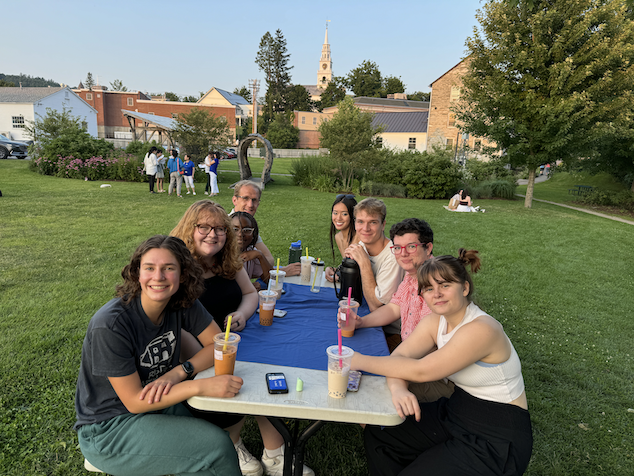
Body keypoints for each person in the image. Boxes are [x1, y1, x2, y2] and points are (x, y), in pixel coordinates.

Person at [74, 235, 242, 476]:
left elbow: (218, 345)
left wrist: (178, 372)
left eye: (169, 268)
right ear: (137, 273)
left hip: (155, 402)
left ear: (182, 274)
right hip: (109, 426)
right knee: (216, 447)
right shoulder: (111, 324)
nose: (158, 277)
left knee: (211, 428)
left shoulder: (181, 302)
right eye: (149, 268)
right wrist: (199, 387)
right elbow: (133, 401)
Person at [354, 249, 533, 476]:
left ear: (465, 288)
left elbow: (421, 371)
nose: (436, 294)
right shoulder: (435, 321)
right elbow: (399, 358)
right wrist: (398, 388)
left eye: (445, 285)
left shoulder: (482, 329)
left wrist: (357, 360)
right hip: (457, 411)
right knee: (381, 435)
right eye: (429, 288)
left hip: (497, 434)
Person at [170, 201, 313, 476]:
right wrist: (203, 353)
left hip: (235, 337)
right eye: (204, 227)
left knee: (270, 368)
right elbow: (175, 320)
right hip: (194, 347)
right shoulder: (178, 266)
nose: (213, 235)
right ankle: (232, 443)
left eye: (220, 229)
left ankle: (274, 453)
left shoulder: (226, 260)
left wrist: (242, 314)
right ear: (190, 229)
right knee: (239, 376)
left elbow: (250, 294)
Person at [345, 219, 434, 351]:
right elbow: (394, 308)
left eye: (411, 246)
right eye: (398, 247)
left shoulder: (436, 285)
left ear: (428, 248)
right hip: (408, 352)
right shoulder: (412, 274)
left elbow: (428, 342)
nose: (403, 254)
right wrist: (360, 322)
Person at [343, 198, 404, 346]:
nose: (365, 228)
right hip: (363, 318)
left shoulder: (393, 256)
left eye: (373, 222)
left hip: (391, 333)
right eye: (360, 222)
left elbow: (375, 306)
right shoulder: (362, 245)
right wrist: (339, 273)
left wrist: (364, 263)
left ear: (383, 225)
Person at [231, 180, 301, 276]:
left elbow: (269, 260)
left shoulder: (250, 228)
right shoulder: (224, 226)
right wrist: (280, 272)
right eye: (245, 198)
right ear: (235, 200)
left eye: (254, 200)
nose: (250, 205)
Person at [232, 211, 271, 289]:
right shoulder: (222, 254)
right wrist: (247, 288)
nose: (240, 234)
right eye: (235, 229)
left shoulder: (251, 251)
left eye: (246, 230)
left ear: (254, 234)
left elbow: (270, 281)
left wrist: (260, 255)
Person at [325, 194, 357, 283]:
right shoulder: (338, 237)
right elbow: (348, 267)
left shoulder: (361, 239)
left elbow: (363, 272)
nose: (338, 218)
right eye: (335, 213)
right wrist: (333, 270)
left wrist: (340, 277)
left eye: (344, 214)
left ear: (353, 215)